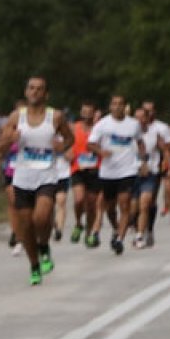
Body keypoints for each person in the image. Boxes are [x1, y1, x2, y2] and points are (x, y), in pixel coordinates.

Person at [0, 77, 73, 284]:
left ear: (46, 94)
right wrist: (7, 143)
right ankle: (34, 265)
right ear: (26, 92)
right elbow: (0, 146)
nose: (35, 92)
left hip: (47, 175)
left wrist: (62, 147)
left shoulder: (55, 117)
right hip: (23, 178)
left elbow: (70, 138)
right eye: (31, 88)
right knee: (26, 226)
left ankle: (44, 245)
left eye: (39, 89)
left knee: (41, 218)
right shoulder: (16, 117)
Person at [87, 94, 146, 255]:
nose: (117, 106)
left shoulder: (133, 124)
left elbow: (140, 142)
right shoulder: (103, 124)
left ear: (125, 107)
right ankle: (116, 228)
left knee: (125, 204)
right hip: (108, 172)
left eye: (120, 104)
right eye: (114, 104)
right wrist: (100, 151)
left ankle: (119, 239)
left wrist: (143, 161)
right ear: (110, 106)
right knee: (110, 208)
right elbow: (90, 144)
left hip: (127, 170)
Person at [134, 101, 170, 248]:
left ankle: (144, 232)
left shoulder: (157, 131)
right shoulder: (128, 133)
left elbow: (167, 148)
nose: (139, 121)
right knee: (133, 207)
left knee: (147, 203)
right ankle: (137, 227)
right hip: (131, 173)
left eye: (142, 117)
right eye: (136, 118)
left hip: (151, 172)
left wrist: (168, 166)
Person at [69, 100, 101, 246]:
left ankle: (88, 233)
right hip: (78, 169)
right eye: (84, 112)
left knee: (92, 205)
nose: (86, 115)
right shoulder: (74, 127)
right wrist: (67, 152)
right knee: (79, 199)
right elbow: (65, 142)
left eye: (89, 112)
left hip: (95, 170)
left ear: (94, 113)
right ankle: (78, 223)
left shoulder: (99, 129)